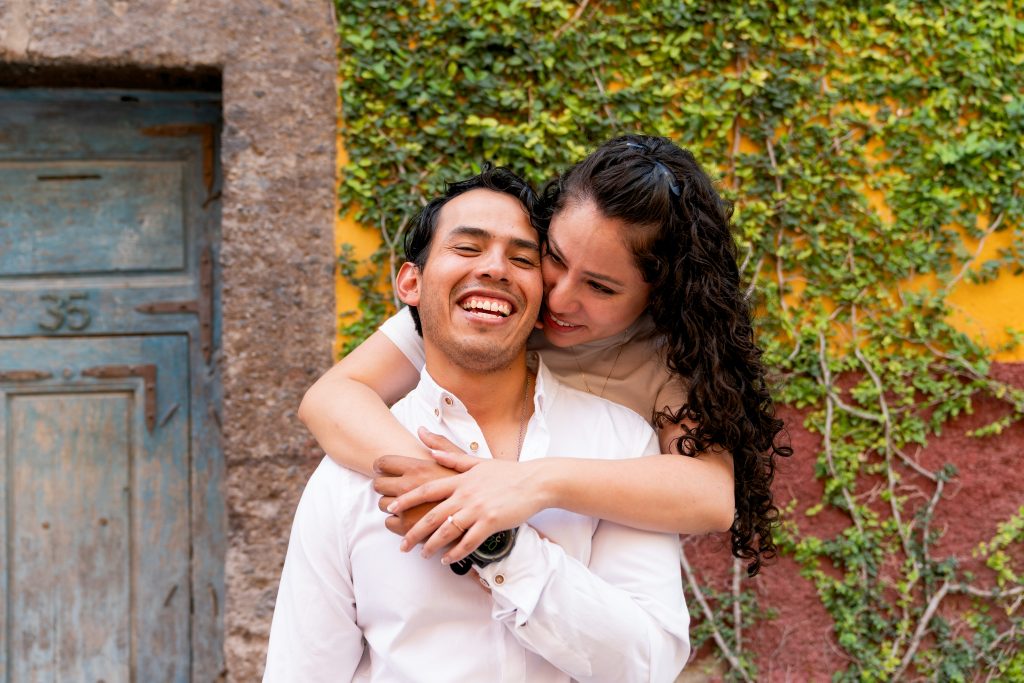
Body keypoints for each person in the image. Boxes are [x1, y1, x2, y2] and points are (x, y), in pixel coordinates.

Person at [264, 167, 690, 682]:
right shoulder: (345, 478)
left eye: (522, 258)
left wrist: (504, 545)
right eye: (467, 249)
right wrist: (456, 499)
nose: (494, 268)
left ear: (540, 303)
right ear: (411, 283)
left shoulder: (620, 444)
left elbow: (649, 666)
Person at [300, 134, 791, 575]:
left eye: (600, 287)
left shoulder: (668, 356)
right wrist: (443, 487)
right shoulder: (495, 308)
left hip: (590, 580)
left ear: (658, 296)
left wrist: (535, 483)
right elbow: (332, 397)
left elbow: (708, 494)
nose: (557, 299)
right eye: (553, 256)